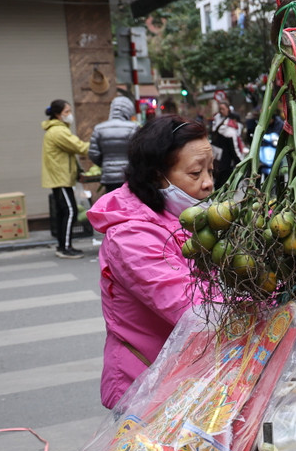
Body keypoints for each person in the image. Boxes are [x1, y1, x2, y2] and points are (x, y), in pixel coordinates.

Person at [86, 116, 213, 408]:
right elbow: (193, 310)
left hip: (190, 379)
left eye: (210, 170)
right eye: (196, 173)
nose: (208, 184)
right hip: (146, 388)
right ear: (158, 176)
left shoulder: (189, 219)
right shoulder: (131, 235)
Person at [41, 99, 90, 259]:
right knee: (70, 211)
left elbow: (69, 154)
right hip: (60, 178)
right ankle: (65, 247)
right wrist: (98, 143)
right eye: (67, 112)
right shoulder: (58, 132)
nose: (70, 115)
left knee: (64, 212)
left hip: (61, 178)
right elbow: (79, 147)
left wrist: (77, 172)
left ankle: (62, 245)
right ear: (57, 114)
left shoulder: (59, 129)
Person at [88, 94, 138, 193]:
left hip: (109, 177)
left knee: (113, 203)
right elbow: (138, 152)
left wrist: (105, 163)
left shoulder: (99, 128)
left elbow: (93, 153)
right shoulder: (133, 127)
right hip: (129, 176)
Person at [209, 91, 247, 188]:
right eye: (220, 109)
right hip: (220, 161)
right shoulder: (220, 123)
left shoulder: (228, 126)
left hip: (224, 161)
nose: (221, 111)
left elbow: (234, 146)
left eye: (223, 109)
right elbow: (234, 148)